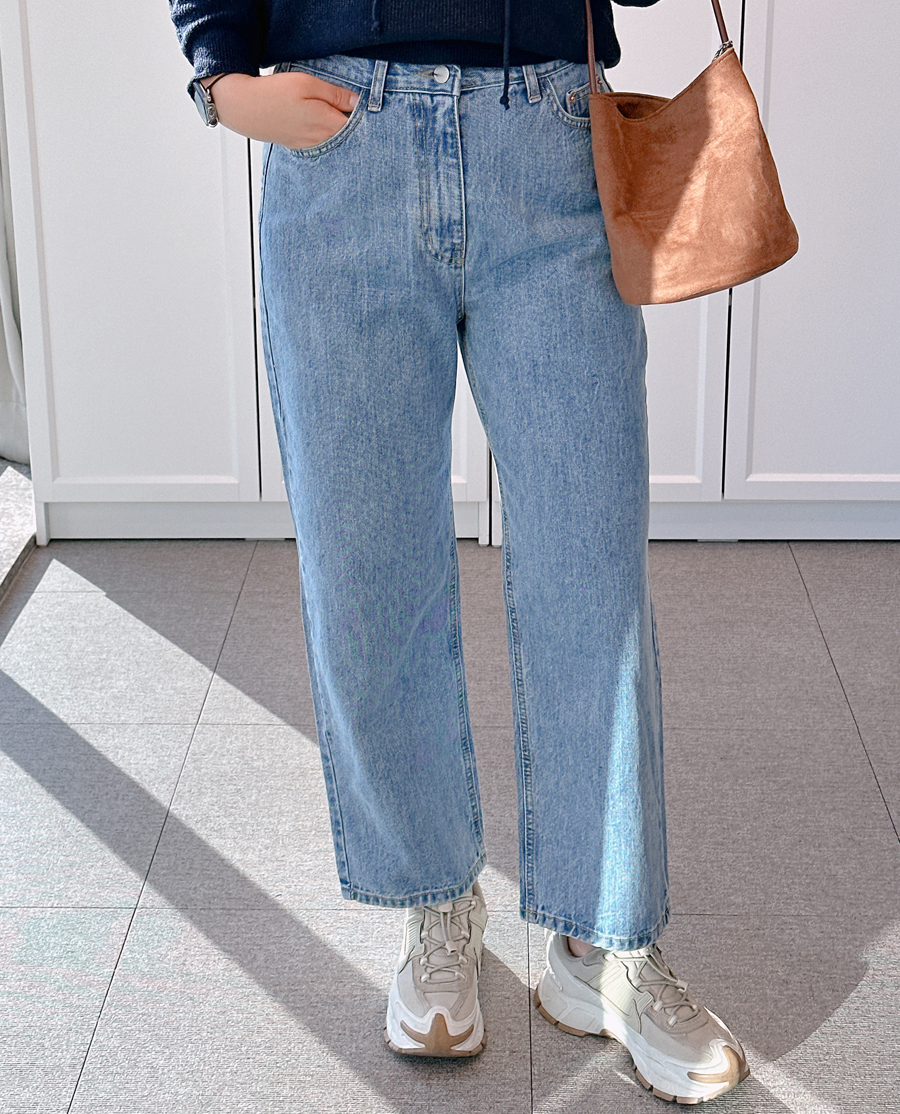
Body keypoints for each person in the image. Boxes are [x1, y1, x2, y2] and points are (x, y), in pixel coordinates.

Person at [169, 0, 749, 1103]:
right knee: (369, 569)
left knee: (594, 577)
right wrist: (223, 82)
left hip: (549, 133)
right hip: (342, 143)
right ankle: (436, 905)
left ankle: (604, 942)